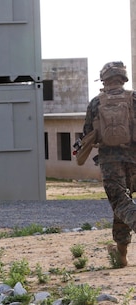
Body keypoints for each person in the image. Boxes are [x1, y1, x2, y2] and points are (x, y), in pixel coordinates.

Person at [82, 61, 136, 268]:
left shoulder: (96, 102)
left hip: (110, 162)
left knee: (121, 203)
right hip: (134, 160)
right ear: (123, 78)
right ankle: (121, 257)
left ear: (104, 79)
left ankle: (122, 252)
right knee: (121, 207)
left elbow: (88, 133)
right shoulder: (134, 98)